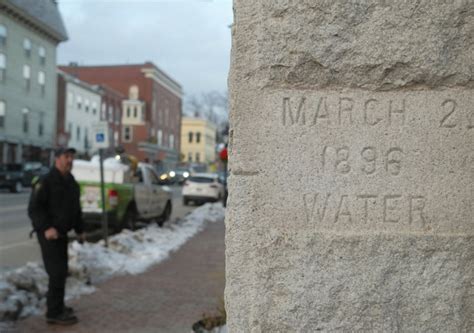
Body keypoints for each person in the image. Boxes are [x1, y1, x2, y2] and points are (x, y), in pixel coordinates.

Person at [28, 147, 85, 325]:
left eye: (72, 157)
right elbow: (35, 209)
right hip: (49, 234)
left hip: (62, 233)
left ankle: (58, 306)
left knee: (62, 271)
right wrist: (46, 228)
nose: (70, 160)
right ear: (57, 159)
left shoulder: (71, 181)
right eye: (66, 157)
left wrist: (80, 229)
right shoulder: (45, 181)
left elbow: (75, 209)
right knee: (56, 272)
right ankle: (53, 312)